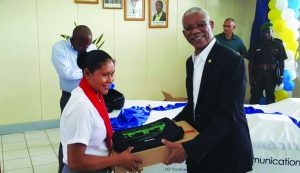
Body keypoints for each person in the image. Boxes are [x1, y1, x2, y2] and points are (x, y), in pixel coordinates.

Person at [161, 7, 253, 173]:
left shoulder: (232, 61)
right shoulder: (191, 62)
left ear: (211, 24)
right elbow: (194, 107)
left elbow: (227, 114)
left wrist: (189, 149)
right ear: (184, 34)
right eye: (189, 28)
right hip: (201, 154)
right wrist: (164, 128)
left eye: (201, 25)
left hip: (226, 155)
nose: (195, 31)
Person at [60, 50, 143, 173]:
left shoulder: (95, 96)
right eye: (105, 74)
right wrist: (117, 160)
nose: (111, 80)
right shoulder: (81, 107)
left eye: (112, 74)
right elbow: (76, 162)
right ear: (87, 73)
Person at [52, 25, 97, 173]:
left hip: (90, 96)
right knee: (68, 136)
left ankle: (85, 167)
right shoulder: (60, 48)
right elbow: (66, 73)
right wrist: (88, 72)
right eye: (82, 45)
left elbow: (97, 69)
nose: (85, 49)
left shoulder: (91, 47)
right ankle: (63, 169)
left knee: (90, 134)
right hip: (69, 97)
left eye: (88, 45)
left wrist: (88, 72)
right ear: (73, 40)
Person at [245, 22, 287, 104]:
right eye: (264, 32)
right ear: (262, 32)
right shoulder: (256, 43)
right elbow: (251, 62)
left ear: (272, 31)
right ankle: (252, 115)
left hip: (271, 74)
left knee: (270, 96)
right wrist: (250, 77)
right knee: (254, 95)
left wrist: (281, 76)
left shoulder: (278, 44)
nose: (266, 34)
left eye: (268, 31)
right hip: (258, 73)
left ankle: (270, 116)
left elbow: (281, 61)